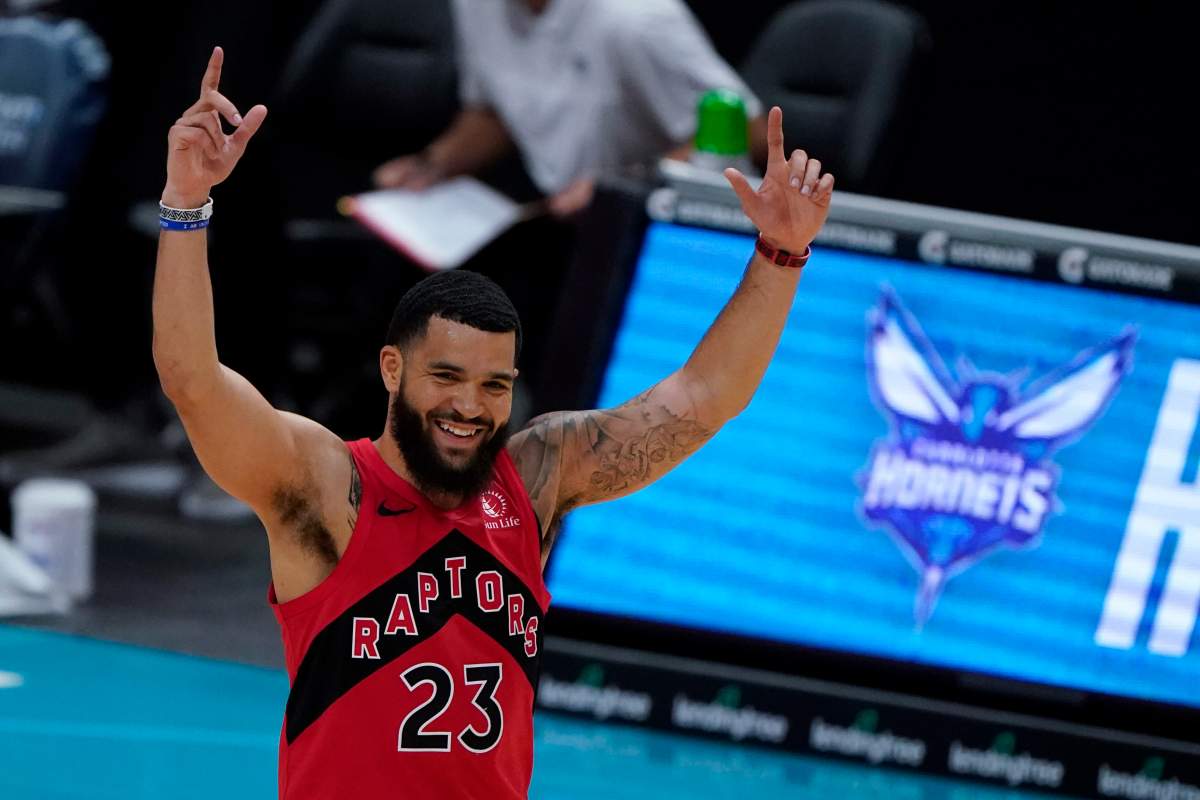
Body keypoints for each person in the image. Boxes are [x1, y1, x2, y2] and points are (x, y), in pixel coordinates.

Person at [154, 47, 833, 800]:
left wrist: (781, 255)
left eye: (492, 385)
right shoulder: (323, 487)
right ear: (392, 371)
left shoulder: (537, 478)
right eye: (445, 377)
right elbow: (193, 381)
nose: (469, 406)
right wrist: (187, 203)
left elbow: (705, 396)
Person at [373, 0, 767, 217]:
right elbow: (495, 111)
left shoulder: (637, 19)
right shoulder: (475, 6)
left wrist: (623, 186)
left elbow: (750, 128)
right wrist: (433, 164)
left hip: (663, 225)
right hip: (557, 218)